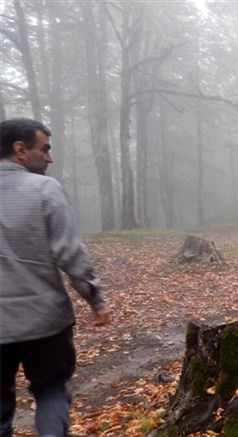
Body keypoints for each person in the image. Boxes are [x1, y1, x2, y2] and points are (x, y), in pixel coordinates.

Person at [0, 117, 111, 436]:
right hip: (44, 322)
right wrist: (95, 299)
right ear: (20, 149)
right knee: (50, 392)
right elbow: (71, 253)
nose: (49, 157)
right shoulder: (45, 189)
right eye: (44, 149)